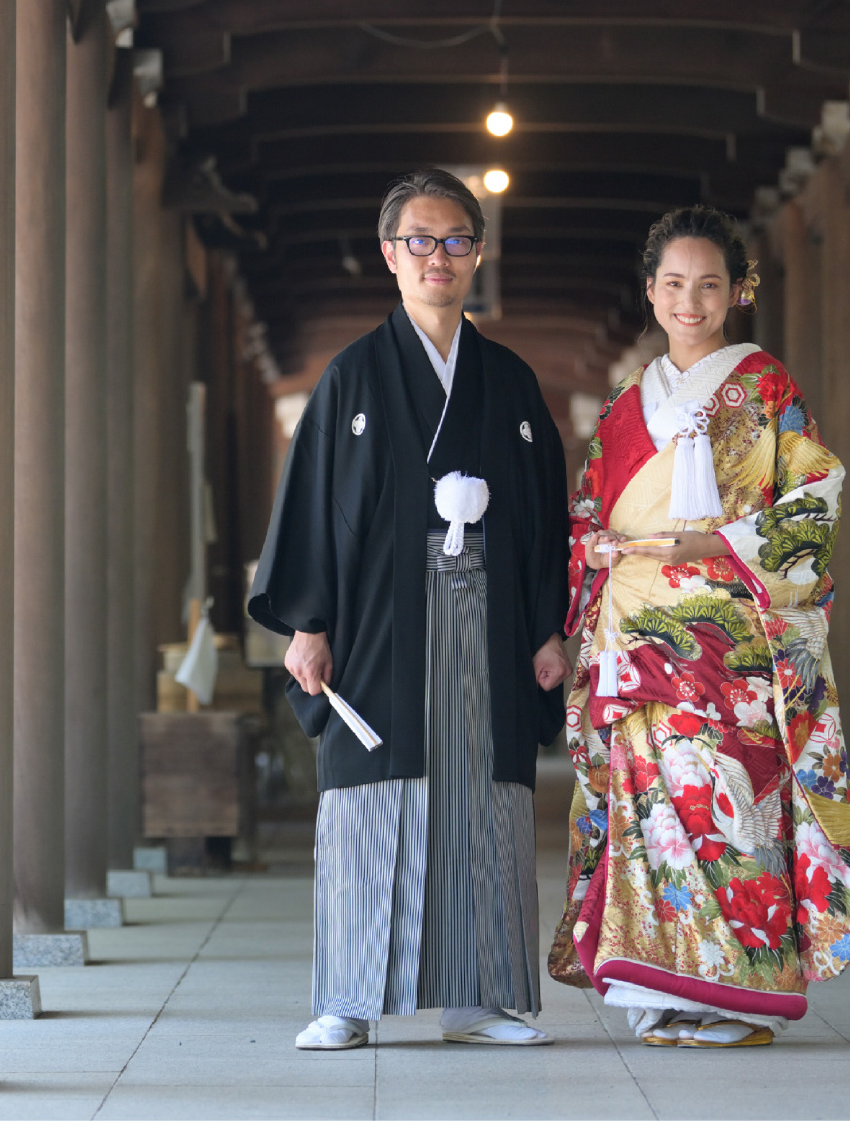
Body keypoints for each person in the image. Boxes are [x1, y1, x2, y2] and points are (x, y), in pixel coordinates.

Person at [249, 169, 569, 1051]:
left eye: (456, 240)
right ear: (390, 255)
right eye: (419, 241)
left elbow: (545, 514)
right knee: (369, 803)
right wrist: (309, 623)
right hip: (380, 628)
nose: (438, 256)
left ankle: (478, 997)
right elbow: (313, 506)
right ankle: (347, 998)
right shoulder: (351, 378)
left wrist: (549, 628)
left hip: (486, 618)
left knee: (480, 803)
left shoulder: (507, 381)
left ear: (477, 254)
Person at [550, 206, 850, 1049]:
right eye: (674, 284)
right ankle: (662, 983)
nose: (690, 301)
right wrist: (598, 548)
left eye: (709, 285)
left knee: (729, 803)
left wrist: (719, 542)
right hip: (632, 629)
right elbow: (585, 509)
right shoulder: (627, 401)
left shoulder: (766, 388)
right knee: (649, 808)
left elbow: (814, 496)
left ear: (738, 291)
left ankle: (737, 991)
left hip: (727, 639)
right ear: (650, 291)